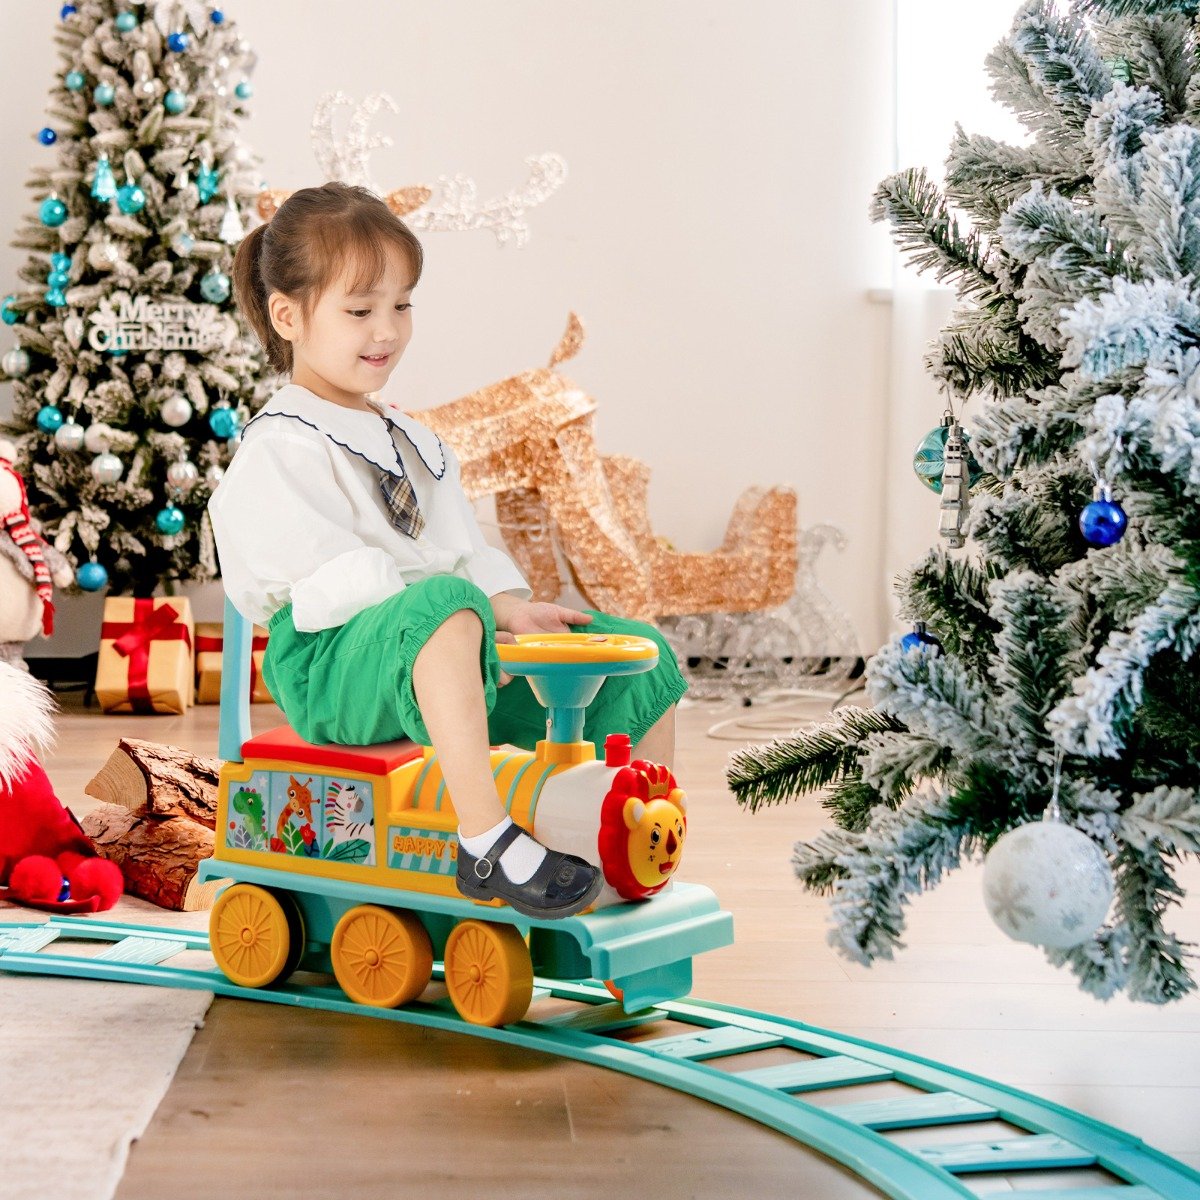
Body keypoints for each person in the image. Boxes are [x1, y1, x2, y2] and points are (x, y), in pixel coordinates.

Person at [209, 181, 687, 919]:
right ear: (288, 316)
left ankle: (632, 844)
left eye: (402, 306)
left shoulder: (413, 440)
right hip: (333, 665)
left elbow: (460, 551)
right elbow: (334, 592)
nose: (387, 331)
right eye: (360, 311)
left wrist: (507, 611)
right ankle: (486, 841)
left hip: (442, 640)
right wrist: (463, 614)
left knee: (635, 650)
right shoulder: (280, 446)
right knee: (445, 606)